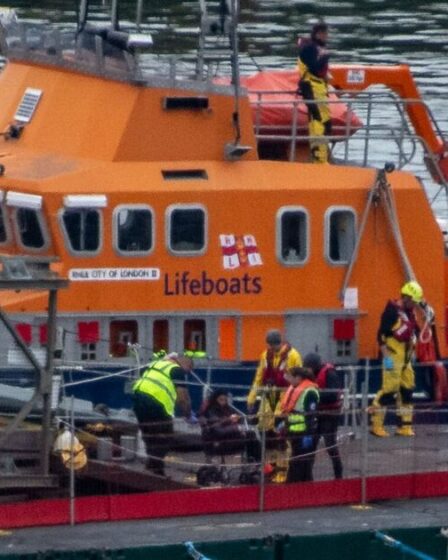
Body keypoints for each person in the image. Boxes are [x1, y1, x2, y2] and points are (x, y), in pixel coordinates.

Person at [247, 329, 302, 482]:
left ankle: (283, 471)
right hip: (268, 396)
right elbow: (259, 376)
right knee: (266, 433)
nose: (273, 347)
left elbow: (298, 380)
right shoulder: (265, 355)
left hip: (284, 397)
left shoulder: (293, 356)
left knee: (281, 436)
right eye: (271, 345)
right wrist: (251, 398)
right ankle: (269, 468)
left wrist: (292, 401)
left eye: (275, 345)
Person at [371, 280, 424, 438]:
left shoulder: (409, 313)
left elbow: (415, 331)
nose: (414, 305)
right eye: (413, 301)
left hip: (406, 359)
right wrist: (386, 357)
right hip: (393, 356)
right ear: (406, 297)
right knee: (389, 391)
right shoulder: (391, 311)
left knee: (407, 390)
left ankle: (405, 426)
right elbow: (381, 335)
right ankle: (376, 425)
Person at [132, 352, 194, 476]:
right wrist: (188, 413)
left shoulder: (156, 364)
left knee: (149, 435)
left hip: (138, 399)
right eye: (189, 369)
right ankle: (154, 468)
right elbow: (182, 397)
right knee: (165, 436)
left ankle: (155, 468)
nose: (188, 373)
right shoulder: (176, 370)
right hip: (156, 403)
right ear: (186, 363)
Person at [303, 352, 343, 479]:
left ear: (314, 366)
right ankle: (308, 477)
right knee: (311, 446)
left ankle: (338, 475)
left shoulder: (329, 373)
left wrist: (315, 396)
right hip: (317, 414)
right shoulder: (311, 376)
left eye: (307, 367)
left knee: (330, 445)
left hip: (330, 414)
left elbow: (333, 394)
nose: (306, 370)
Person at [297, 21, 331, 164]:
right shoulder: (310, 48)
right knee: (318, 122)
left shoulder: (317, 48)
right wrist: (325, 56)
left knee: (325, 123)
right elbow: (314, 67)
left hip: (319, 88)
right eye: (323, 33)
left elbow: (320, 71)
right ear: (317, 34)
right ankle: (319, 159)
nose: (326, 36)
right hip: (312, 88)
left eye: (326, 34)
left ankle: (321, 156)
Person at [280, 366, 319, 483]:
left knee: (300, 462)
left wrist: (308, 434)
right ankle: (304, 485)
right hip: (293, 432)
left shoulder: (310, 392)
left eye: (290, 377)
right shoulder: (294, 388)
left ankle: (294, 485)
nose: (288, 379)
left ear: (298, 378)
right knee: (300, 462)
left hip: (303, 433)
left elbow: (310, 415)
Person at [199, 389, 261, 462]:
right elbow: (218, 431)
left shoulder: (228, 409)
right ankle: (254, 462)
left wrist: (249, 418)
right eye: (221, 400)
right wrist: (236, 427)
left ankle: (255, 462)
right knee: (249, 437)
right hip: (216, 443)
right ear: (215, 399)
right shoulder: (210, 411)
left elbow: (241, 418)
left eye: (225, 400)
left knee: (251, 435)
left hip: (228, 439)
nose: (223, 402)